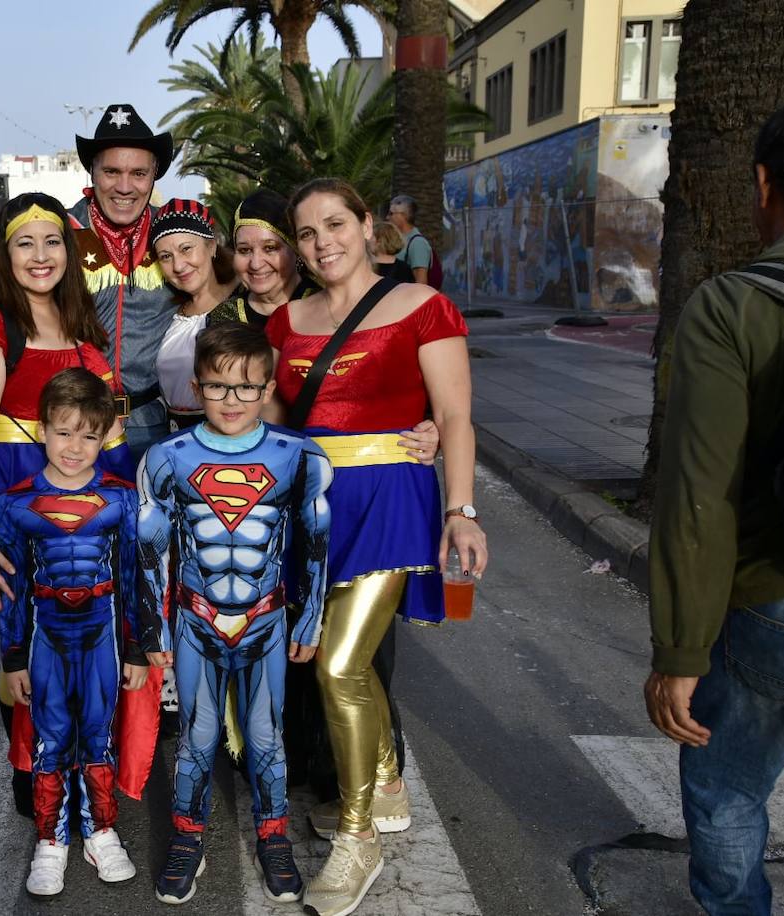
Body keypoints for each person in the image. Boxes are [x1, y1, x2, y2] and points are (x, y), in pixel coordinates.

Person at [265, 178, 487, 916]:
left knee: (337, 664)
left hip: (390, 502)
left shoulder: (424, 308)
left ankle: (358, 839)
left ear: (368, 226)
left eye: (336, 223)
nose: (323, 241)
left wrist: (461, 510)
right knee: (343, 656)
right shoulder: (284, 321)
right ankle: (385, 780)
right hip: (309, 508)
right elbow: (266, 424)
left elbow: (454, 415)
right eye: (306, 232)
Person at [643, 93, 784, 916]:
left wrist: (680, 651)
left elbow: (698, 498)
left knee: (729, 789)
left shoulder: (734, 306)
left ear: (762, 183)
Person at [0, 192, 144, 819]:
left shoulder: (83, 324)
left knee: (89, 638)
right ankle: (33, 779)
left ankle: (85, 764)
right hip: (15, 497)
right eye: (24, 242)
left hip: (90, 500)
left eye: (51, 241)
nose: (39, 256)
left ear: (69, 249)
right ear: (4, 252)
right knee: (28, 643)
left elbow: (109, 435)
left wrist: (134, 513)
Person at [138, 322, 333, 906]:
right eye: (218, 387)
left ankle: (274, 839)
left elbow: (317, 542)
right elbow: (151, 550)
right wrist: (153, 627)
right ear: (197, 388)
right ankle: (187, 838)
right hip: (196, 621)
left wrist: (311, 615)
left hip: (267, 619)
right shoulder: (166, 457)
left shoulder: (299, 455)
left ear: (267, 388)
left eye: (246, 388)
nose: (231, 400)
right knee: (197, 739)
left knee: (267, 737)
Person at [0, 367, 146, 897]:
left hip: (102, 631)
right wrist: (12, 659)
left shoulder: (123, 499)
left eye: (88, 434)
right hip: (46, 636)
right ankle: (50, 840)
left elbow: (132, 579)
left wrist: (136, 649)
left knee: (99, 737)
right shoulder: (13, 505)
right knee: (51, 739)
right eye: (63, 431)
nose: (75, 446)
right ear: (41, 429)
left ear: (105, 436)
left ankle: (101, 830)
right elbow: (9, 594)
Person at [70, 103, 180, 461]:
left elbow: (218, 297)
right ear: (92, 172)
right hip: (70, 422)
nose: (124, 186)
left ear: (154, 175)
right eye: (111, 171)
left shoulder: (174, 233)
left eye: (138, 173)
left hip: (151, 425)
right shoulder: (58, 233)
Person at [150, 199, 238, 431]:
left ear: (211, 246)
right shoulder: (170, 315)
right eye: (166, 256)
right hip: (173, 438)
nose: (178, 265)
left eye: (186, 248)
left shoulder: (242, 305)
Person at [208, 189, 317, 330]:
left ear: (295, 249)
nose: (256, 264)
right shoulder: (225, 318)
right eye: (244, 250)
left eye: (270, 248)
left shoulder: (324, 307)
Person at [386, 194, 438, 287]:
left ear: (403, 215)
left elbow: (421, 284)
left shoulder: (417, 243)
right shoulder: (400, 240)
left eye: (391, 213)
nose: (387, 217)